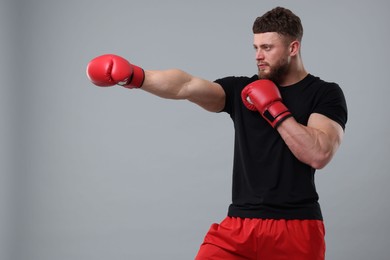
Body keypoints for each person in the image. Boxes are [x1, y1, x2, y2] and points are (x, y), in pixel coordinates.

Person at [86, 6, 347, 260]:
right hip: (239, 226)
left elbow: (319, 153)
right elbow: (185, 85)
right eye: (255, 47)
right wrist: (135, 76)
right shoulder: (240, 89)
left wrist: (272, 108)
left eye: (267, 48)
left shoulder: (324, 93)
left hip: (297, 227)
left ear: (293, 48)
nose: (258, 55)